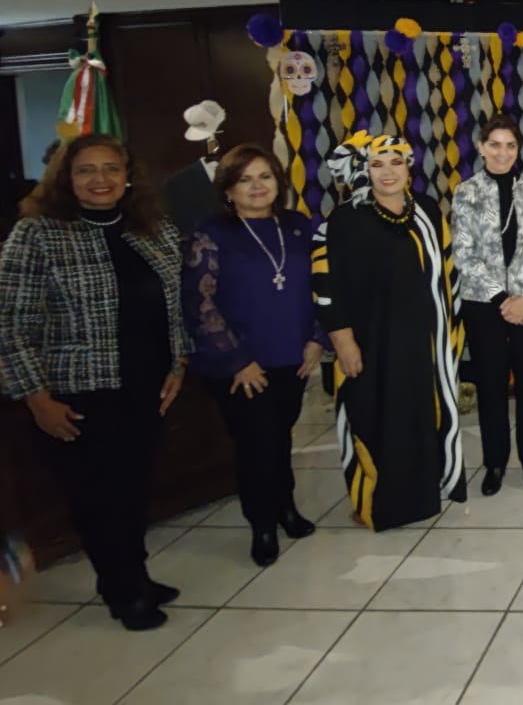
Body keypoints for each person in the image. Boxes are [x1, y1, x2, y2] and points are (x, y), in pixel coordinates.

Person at [0, 134, 188, 631]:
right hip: (78, 395)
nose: (100, 179)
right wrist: (36, 398)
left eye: (110, 168)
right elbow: (9, 323)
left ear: (128, 176)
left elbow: (175, 305)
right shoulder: (38, 234)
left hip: (146, 387)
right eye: (86, 170)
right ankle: (123, 591)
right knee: (100, 500)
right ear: (66, 178)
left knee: (134, 491)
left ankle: (133, 575)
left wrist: (177, 365)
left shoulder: (154, 229)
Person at [312, 132, 466, 530]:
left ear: (408, 167)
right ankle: (376, 505)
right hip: (371, 342)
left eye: (395, 162)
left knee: (420, 417)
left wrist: (449, 337)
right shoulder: (345, 219)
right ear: (364, 169)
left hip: (422, 342)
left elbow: (447, 274)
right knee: (375, 418)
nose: (387, 173)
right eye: (377, 164)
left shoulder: (426, 210)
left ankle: (423, 497)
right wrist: (342, 339)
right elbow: (325, 283)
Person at [182, 144, 325, 566]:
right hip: (240, 362)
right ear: (228, 189)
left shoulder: (297, 225)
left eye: (265, 176)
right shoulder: (210, 233)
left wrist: (317, 338)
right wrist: (238, 360)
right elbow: (199, 302)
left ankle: (285, 507)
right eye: (245, 179)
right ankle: (262, 523)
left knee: (280, 436)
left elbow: (322, 284)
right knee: (255, 444)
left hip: (293, 354)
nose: (257, 186)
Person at [450, 114, 523, 495]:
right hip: (484, 303)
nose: (502, 152)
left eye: (510, 145)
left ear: (518, 150)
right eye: (494, 144)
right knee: (491, 383)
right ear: (481, 148)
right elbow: (464, 254)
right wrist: (503, 298)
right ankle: (494, 461)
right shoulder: (466, 193)